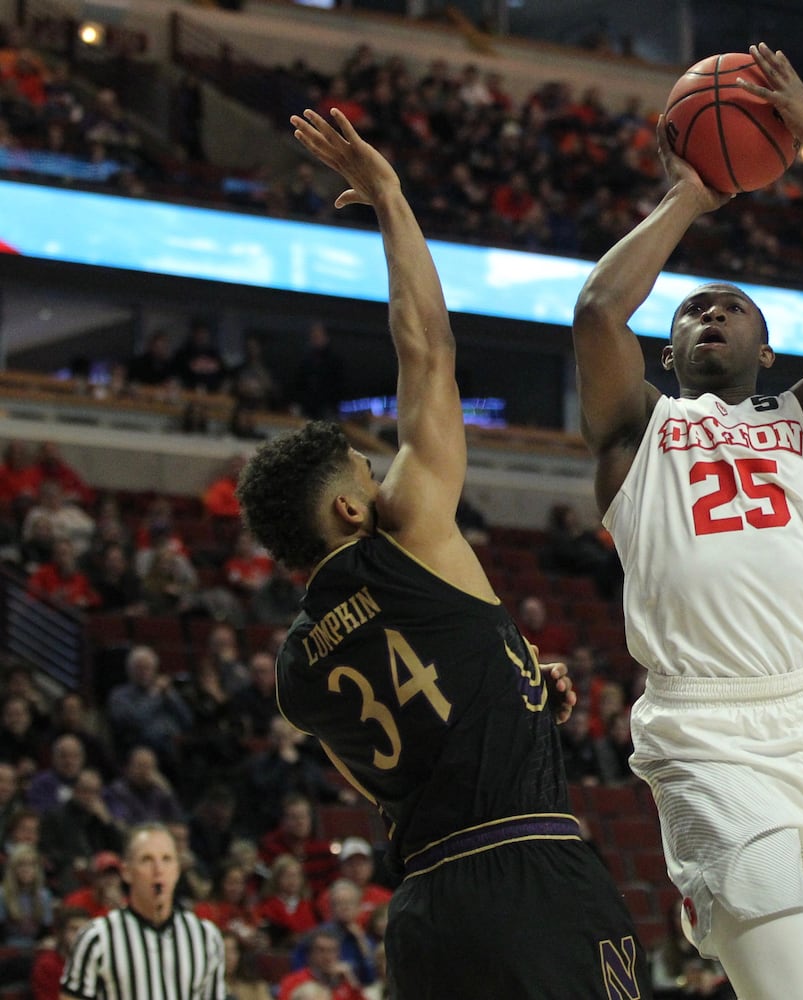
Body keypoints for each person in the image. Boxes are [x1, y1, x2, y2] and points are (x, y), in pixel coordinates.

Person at [237, 107, 641, 1000]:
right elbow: (429, 351)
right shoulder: (409, 534)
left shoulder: (296, 672)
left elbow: (401, 781)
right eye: (369, 470)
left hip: (425, 910)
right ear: (350, 509)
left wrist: (518, 688)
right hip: (530, 874)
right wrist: (389, 196)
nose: (387, 476)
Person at [571, 43, 803, 1000]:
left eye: (731, 309)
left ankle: (755, 890)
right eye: (690, 312)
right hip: (706, 725)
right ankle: (722, 886)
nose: (708, 315)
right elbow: (600, 312)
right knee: (798, 988)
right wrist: (691, 196)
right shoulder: (636, 430)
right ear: (673, 348)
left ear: (769, 353)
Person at [59, 824, 226, 1000]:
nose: (158, 870)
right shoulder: (97, 937)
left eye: (167, 859)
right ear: (126, 872)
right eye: (146, 860)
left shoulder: (205, 936)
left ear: (177, 870)